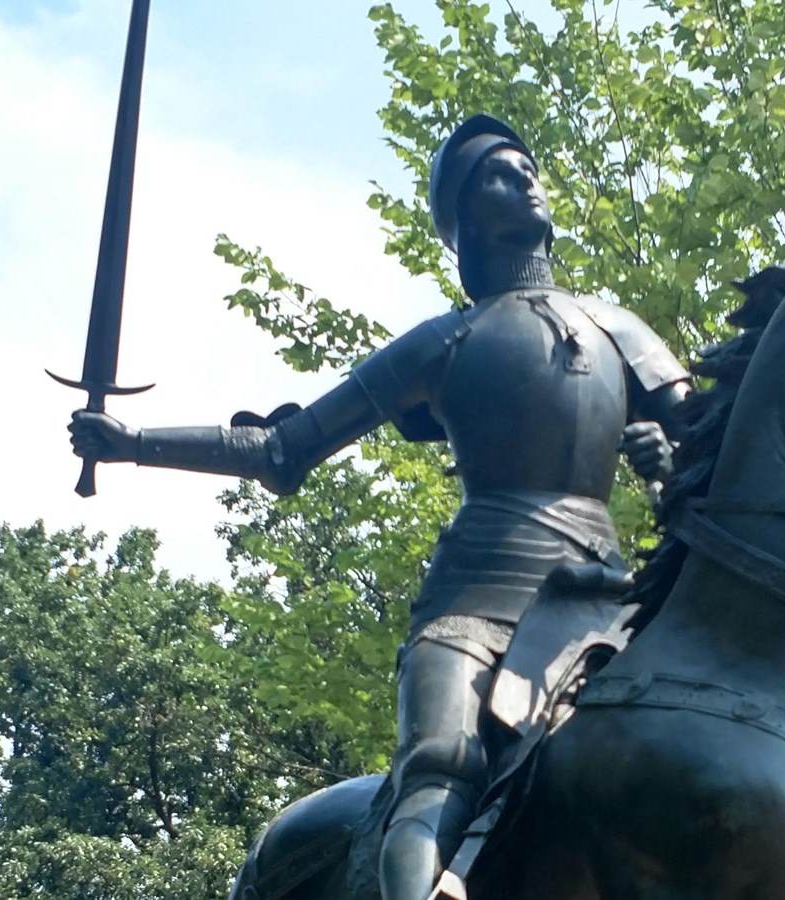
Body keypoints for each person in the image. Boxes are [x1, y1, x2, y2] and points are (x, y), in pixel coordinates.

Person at [68, 114, 690, 900]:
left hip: (608, 604)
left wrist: (669, 473)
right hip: (478, 601)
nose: (525, 177)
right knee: (441, 760)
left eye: (527, 165)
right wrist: (133, 443)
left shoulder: (620, 329)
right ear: (464, 219)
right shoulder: (444, 343)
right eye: (498, 173)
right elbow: (283, 449)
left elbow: (713, 456)